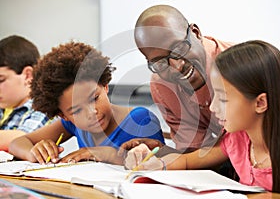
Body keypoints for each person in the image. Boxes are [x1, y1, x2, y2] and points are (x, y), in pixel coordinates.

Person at [124, 40, 280, 196]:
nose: (212, 107)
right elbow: (187, 161)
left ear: (260, 103)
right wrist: (158, 165)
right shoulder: (237, 140)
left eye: (223, 99)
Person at [119, 5, 280, 155]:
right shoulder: (162, 87)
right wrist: (161, 152)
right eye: (159, 62)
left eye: (179, 48)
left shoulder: (253, 68)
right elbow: (197, 153)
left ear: (196, 33)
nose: (177, 66)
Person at [9, 41, 165, 165]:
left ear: (105, 86)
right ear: (64, 115)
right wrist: (34, 152)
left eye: (94, 98)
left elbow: (155, 163)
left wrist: (101, 153)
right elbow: (18, 142)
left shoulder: (141, 119)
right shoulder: (71, 124)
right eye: (76, 111)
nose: (92, 112)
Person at [0, 35, 51, 152]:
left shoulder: (44, 107)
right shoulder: (4, 107)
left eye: (1, 80)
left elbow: (25, 138)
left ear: (27, 75)